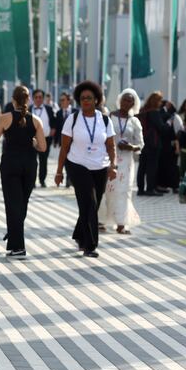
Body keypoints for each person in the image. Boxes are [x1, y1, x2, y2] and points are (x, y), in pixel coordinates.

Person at [54, 81, 117, 258]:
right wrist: (59, 171)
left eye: (89, 98)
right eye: (82, 98)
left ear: (96, 100)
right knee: (89, 202)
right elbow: (64, 148)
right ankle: (90, 246)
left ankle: (79, 235)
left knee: (92, 205)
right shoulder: (72, 119)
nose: (86, 101)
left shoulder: (104, 120)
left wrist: (113, 165)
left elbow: (111, 145)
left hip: (101, 166)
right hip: (77, 165)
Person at [0, 85, 47, 258]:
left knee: (13, 205)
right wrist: (32, 142)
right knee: (21, 204)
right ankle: (14, 236)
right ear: (29, 101)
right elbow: (42, 147)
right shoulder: (36, 121)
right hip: (29, 165)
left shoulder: (5, 118)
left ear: (13, 100)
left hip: (10, 164)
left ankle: (18, 245)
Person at [98, 89, 144, 234]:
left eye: (130, 100)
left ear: (134, 104)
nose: (127, 102)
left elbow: (140, 144)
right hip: (109, 158)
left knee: (123, 192)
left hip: (127, 162)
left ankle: (121, 223)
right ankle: (101, 220)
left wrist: (131, 147)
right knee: (107, 190)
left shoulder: (134, 121)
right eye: (125, 99)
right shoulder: (110, 117)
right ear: (120, 100)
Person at [136, 91, 169, 196]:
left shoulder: (142, 111)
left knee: (142, 166)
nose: (160, 103)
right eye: (159, 101)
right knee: (151, 167)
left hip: (142, 142)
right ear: (156, 101)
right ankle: (150, 188)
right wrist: (168, 123)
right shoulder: (154, 112)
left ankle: (140, 189)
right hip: (153, 143)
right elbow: (162, 128)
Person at [31, 89, 56, 187]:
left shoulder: (49, 109)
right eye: (36, 97)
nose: (38, 99)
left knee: (43, 160)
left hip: (45, 139)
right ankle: (32, 181)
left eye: (40, 97)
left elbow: (53, 122)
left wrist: (53, 130)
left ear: (43, 98)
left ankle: (42, 180)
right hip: (32, 140)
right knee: (32, 161)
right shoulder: (28, 109)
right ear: (33, 98)